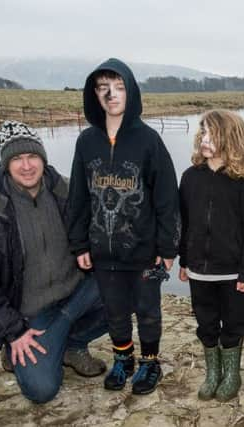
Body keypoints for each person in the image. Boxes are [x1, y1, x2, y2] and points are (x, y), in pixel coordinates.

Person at [0, 121, 107, 403]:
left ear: (43, 157)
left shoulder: (68, 191)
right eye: (17, 159)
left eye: (32, 156)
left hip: (75, 295)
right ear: (5, 163)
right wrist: (13, 330)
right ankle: (23, 345)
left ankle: (72, 345)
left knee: (133, 284)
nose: (27, 166)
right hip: (28, 317)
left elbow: (101, 231)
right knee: (41, 390)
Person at [67, 58, 181, 395]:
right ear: (95, 95)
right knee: (114, 311)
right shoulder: (86, 143)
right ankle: (123, 359)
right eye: (104, 89)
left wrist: (168, 248)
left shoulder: (148, 141)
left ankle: (149, 362)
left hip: (143, 250)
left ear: (130, 92)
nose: (112, 94)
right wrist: (80, 244)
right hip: (102, 250)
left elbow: (166, 199)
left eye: (118, 88)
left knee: (147, 311)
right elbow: (78, 198)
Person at [178, 110, 244, 402]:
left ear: (230, 138)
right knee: (206, 322)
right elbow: (184, 222)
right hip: (199, 271)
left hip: (233, 272)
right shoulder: (189, 178)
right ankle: (213, 373)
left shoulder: (243, 181)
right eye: (203, 132)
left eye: (212, 133)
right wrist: (184, 261)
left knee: (235, 323)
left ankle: (232, 374)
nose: (205, 138)